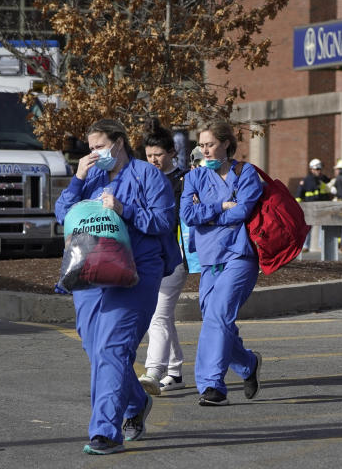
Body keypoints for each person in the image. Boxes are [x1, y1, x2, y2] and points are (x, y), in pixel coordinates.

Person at [55, 119, 182, 455]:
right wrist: (79, 177)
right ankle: (136, 402)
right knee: (94, 347)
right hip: (90, 272)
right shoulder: (91, 176)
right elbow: (62, 213)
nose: (95, 153)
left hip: (136, 272)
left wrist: (124, 209)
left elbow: (163, 221)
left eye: (100, 146)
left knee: (112, 348)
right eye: (91, 148)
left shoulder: (147, 175)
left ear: (120, 142)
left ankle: (105, 433)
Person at [180, 120, 264, 407]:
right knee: (215, 319)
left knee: (218, 315)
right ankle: (247, 364)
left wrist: (209, 214)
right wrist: (219, 207)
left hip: (240, 254)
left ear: (226, 143)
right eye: (201, 145)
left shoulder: (246, 172)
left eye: (210, 144)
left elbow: (242, 211)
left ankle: (211, 385)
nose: (204, 150)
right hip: (209, 257)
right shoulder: (194, 178)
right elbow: (188, 215)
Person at [137, 119, 189, 396]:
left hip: (174, 255)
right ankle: (176, 370)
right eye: (148, 156)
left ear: (171, 152)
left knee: (157, 316)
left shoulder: (183, 180)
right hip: (148, 256)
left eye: (158, 154)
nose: (153, 160)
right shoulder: (143, 179)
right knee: (163, 317)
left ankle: (153, 372)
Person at [297, 158, 331, 252]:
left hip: (322, 206)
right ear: (311, 169)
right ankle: (305, 246)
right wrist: (298, 207)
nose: (318, 171)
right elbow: (299, 194)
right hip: (309, 207)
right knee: (307, 226)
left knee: (322, 226)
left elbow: (328, 191)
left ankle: (321, 245)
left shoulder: (324, 179)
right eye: (316, 169)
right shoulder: (307, 180)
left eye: (319, 169)